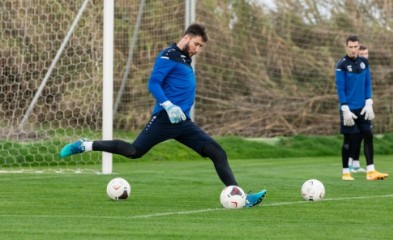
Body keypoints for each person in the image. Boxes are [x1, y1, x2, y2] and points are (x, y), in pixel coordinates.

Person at [59, 23, 267, 207]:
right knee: (134, 151)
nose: (198, 49)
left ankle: (241, 197)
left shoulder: (186, 59)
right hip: (165, 119)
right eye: (196, 44)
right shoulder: (168, 55)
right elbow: (153, 83)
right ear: (186, 38)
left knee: (217, 153)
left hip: (183, 122)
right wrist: (168, 105)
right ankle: (86, 145)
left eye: (201, 46)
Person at [335, 35, 388, 181]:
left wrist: (369, 101)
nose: (353, 49)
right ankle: (346, 172)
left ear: (359, 46)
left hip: (363, 108)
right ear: (346, 47)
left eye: (355, 47)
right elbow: (341, 88)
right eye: (350, 47)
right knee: (349, 140)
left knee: (368, 136)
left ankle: (371, 171)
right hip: (348, 109)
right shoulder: (341, 65)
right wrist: (344, 107)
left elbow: (367, 83)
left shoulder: (364, 62)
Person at [348, 45, 369, 173]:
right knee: (353, 135)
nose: (364, 57)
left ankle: (355, 163)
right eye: (362, 54)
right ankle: (349, 163)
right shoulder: (351, 69)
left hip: (364, 106)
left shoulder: (365, 68)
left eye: (366, 54)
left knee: (361, 134)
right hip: (352, 107)